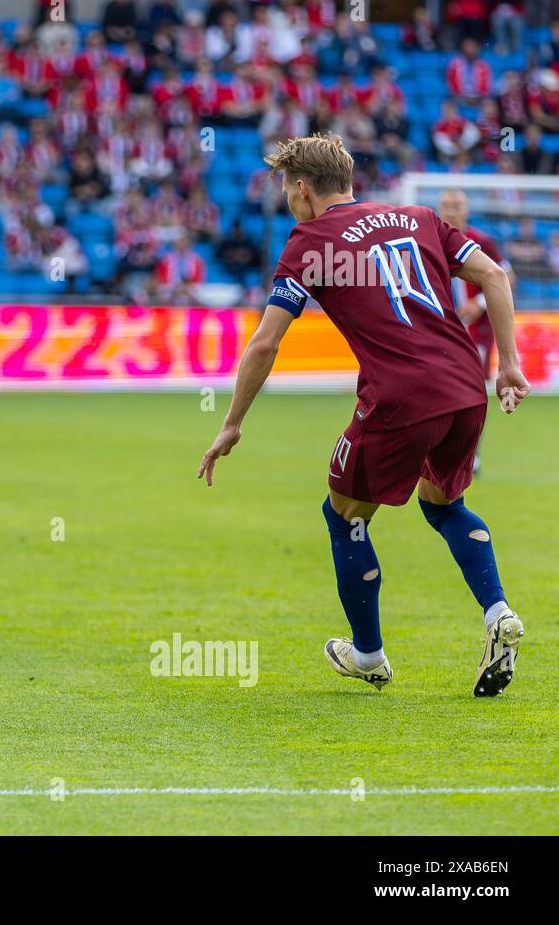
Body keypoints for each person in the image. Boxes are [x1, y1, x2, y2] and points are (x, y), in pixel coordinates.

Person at [198, 133, 529, 697]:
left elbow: (264, 344)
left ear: (302, 189)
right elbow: (496, 277)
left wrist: (232, 421)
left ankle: (369, 654)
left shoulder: (311, 242)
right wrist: (510, 366)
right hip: (464, 385)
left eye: (286, 190)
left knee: (345, 514)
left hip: (400, 396)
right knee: (445, 504)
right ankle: (498, 611)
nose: (287, 201)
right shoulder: (419, 217)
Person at [437, 188, 516, 473]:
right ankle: (440, 451)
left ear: (467, 210)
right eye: (446, 205)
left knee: (473, 391)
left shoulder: (483, 242)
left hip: (477, 330)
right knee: (440, 390)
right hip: (443, 329)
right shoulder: (431, 242)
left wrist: (480, 302)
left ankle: (473, 455)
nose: (451, 210)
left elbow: (507, 278)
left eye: (457, 205)